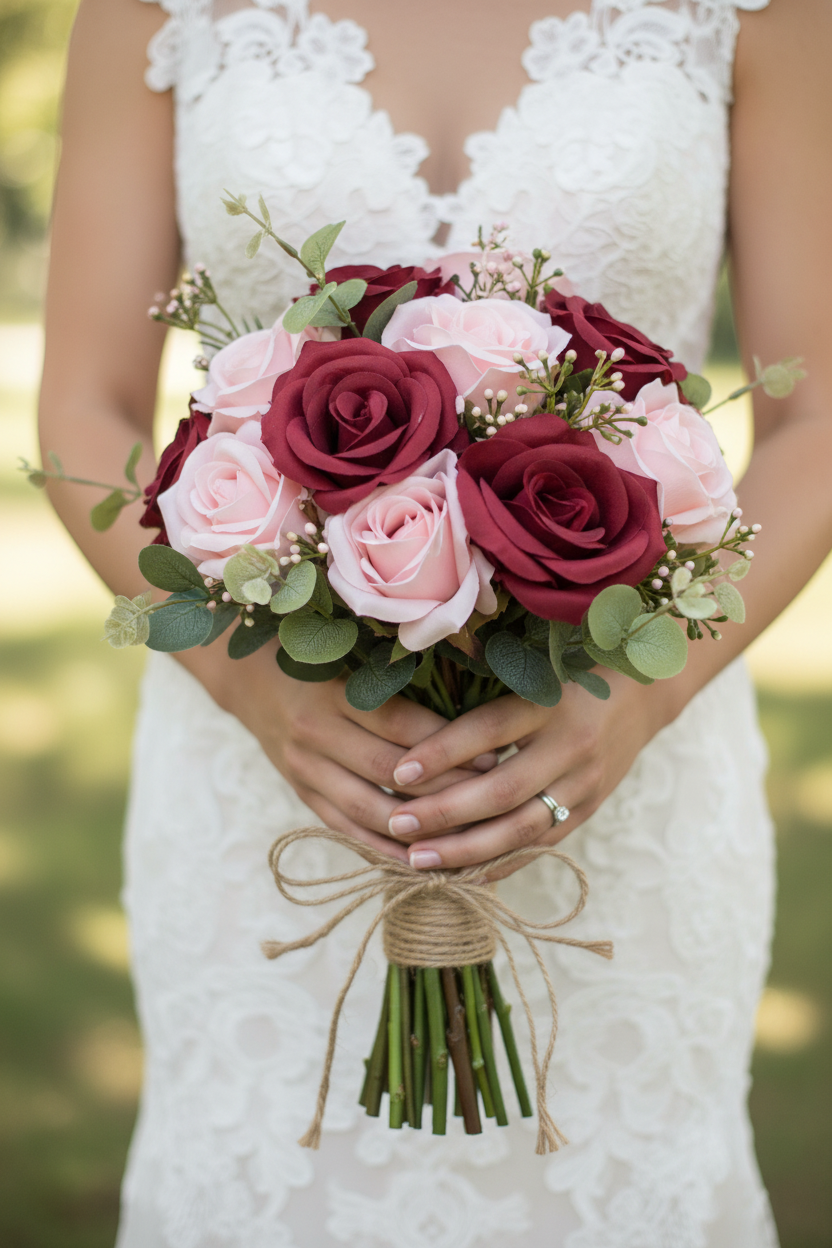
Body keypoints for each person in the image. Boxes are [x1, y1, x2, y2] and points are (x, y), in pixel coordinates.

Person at [40, 0, 831, 1244]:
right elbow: (82, 408)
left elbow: (816, 415)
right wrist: (255, 689)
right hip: (269, 776)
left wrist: (645, 695)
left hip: (621, 767)